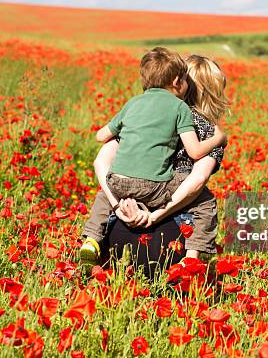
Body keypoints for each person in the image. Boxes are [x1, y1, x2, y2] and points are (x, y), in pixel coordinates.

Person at [80, 50, 229, 266]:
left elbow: (100, 162)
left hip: (117, 231)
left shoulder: (141, 114)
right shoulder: (208, 131)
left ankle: (92, 239)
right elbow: (196, 182)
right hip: (168, 244)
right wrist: (155, 215)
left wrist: (118, 207)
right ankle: (191, 261)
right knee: (205, 201)